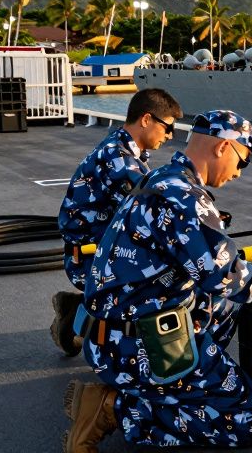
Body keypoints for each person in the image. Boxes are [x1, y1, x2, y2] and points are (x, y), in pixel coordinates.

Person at [63, 110, 252, 452]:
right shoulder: (183, 196)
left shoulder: (163, 177)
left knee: (224, 309)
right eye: (242, 161)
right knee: (249, 420)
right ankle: (113, 409)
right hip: (135, 346)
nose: (239, 173)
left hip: (113, 331)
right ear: (222, 147)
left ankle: (176, 385)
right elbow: (224, 276)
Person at [52, 88, 183, 356]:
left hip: (103, 246)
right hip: (88, 257)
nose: (170, 136)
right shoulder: (119, 159)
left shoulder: (125, 149)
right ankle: (83, 316)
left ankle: (81, 307)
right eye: (168, 127)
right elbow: (153, 206)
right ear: (147, 119)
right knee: (164, 280)